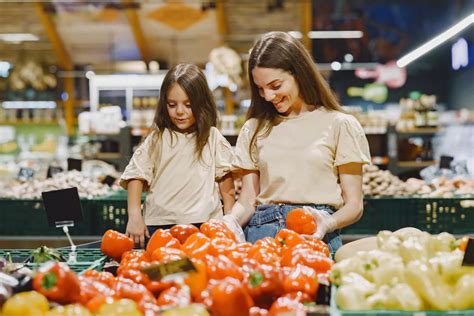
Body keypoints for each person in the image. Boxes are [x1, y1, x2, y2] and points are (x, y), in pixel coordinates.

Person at [225, 31, 371, 255]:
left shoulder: (340, 124)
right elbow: (247, 201)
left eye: (275, 86)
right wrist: (230, 222)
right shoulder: (254, 128)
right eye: (260, 89)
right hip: (260, 237)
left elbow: (354, 205)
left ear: (299, 74)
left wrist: (327, 222)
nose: (268, 96)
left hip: (313, 236)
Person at [119, 64, 235, 247]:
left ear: (202, 104)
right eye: (172, 105)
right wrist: (134, 216)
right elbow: (136, 175)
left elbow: (226, 181)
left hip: (205, 224)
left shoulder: (211, 137)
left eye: (188, 105)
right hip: (159, 225)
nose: (179, 111)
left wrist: (229, 218)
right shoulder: (157, 138)